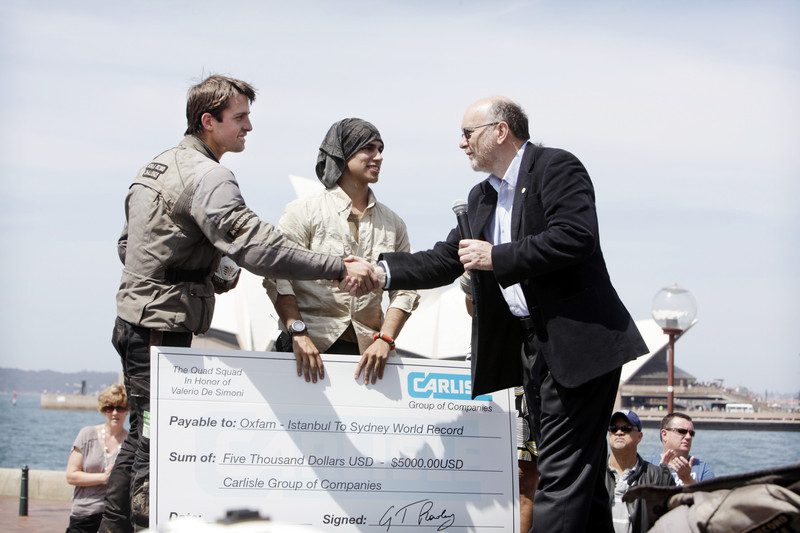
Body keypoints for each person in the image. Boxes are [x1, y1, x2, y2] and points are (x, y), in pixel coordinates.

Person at [102, 75, 376, 533]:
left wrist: (202, 270)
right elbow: (260, 248)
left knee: (142, 434)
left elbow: (127, 243)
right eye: (241, 117)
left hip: (137, 321)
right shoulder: (212, 176)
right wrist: (336, 265)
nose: (249, 126)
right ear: (209, 121)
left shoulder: (158, 165)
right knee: (155, 443)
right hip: (158, 329)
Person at [375, 96, 648, 532]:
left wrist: (497, 256)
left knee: (560, 474)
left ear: (500, 131)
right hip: (532, 349)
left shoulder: (556, 168)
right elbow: (447, 258)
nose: (461, 143)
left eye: (467, 133)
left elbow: (575, 236)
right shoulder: (480, 197)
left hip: (580, 346)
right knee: (582, 475)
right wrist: (380, 270)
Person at [267, 118, 419, 384]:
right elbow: (277, 275)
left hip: (370, 356)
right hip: (304, 349)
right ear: (343, 153)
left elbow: (406, 289)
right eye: (368, 148)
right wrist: (297, 332)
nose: (379, 157)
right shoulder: (303, 211)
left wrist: (386, 339)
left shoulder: (394, 223)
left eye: (381, 149)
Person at [461, 273, 539, 531]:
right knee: (478, 475)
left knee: (525, 478)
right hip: (488, 381)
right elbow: (470, 300)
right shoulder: (476, 268)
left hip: (524, 381)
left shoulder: (529, 261)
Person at [66, 385, 129, 533]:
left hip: (115, 517)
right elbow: (71, 476)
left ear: (127, 410)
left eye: (120, 408)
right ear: (103, 409)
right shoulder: (87, 435)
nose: (114, 413)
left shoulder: (131, 443)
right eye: (109, 408)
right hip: (84, 515)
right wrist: (103, 478)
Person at [605, 410, 674, 533]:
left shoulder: (660, 478)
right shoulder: (594, 475)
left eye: (626, 428)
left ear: (639, 437)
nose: (619, 432)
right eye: (613, 428)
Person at [658, 412, 715, 486]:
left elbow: (708, 497)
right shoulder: (647, 467)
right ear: (664, 435)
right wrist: (658, 473)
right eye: (682, 431)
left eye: (691, 433)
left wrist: (688, 480)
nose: (688, 437)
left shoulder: (704, 470)